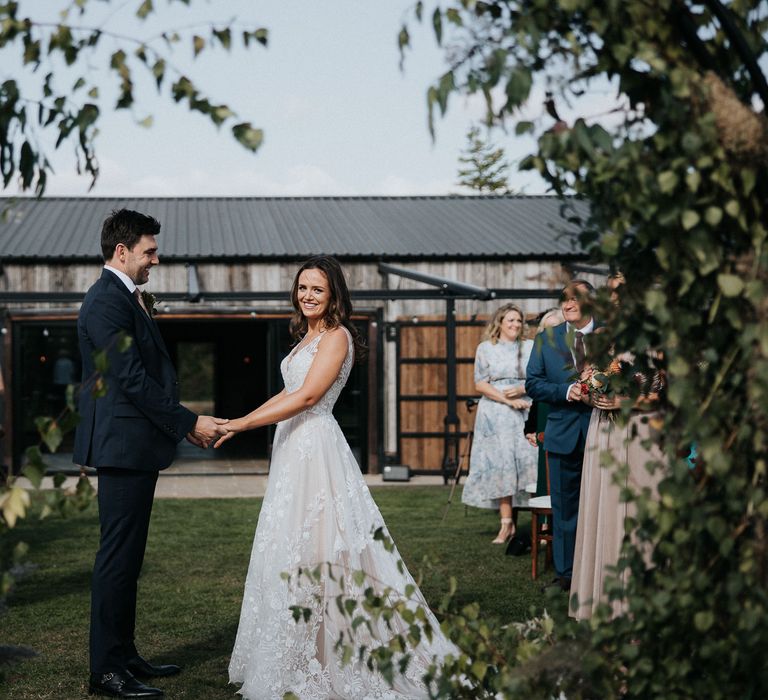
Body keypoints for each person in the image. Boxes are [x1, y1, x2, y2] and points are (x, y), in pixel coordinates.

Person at [217, 255, 456, 699]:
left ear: (334, 296)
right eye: (302, 287)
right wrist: (238, 420)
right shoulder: (305, 337)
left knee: (324, 546)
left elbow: (307, 396)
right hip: (293, 448)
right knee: (291, 548)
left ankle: (338, 654)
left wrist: (241, 427)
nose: (307, 296)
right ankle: (301, 652)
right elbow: (287, 393)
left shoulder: (336, 337)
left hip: (316, 449)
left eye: (317, 290)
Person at [73, 209, 228, 699]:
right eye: (149, 251)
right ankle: (105, 671)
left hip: (134, 446)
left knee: (128, 558)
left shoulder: (126, 298)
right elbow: (131, 379)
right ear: (123, 251)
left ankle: (125, 654)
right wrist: (188, 422)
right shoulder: (105, 302)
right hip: (121, 445)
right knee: (116, 560)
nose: (155, 260)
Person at [570, 274, 664, 620]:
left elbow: (667, 391)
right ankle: (604, 599)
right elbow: (589, 375)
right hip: (604, 430)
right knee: (605, 506)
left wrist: (628, 402)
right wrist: (589, 391)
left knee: (640, 513)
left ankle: (644, 600)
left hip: (640, 430)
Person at [525, 280, 597, 591]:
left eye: (574, 299)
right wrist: (565, 390)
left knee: (601, 504)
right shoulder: (546, 338)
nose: (567, 305)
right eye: (563, 300)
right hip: (563, 433)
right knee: (565, 508)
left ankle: (600, 570)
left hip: (604, 433)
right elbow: (533, 383)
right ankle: (566, 576)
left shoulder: (612, 336)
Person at [461, 303, 538, 544]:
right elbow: (480, 384)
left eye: (518, 321)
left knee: (530, 463)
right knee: (502, 464)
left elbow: (539, 377)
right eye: (510, 320)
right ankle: (506, 524)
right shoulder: (486, 348)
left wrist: (522, 391)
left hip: (526, 408)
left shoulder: (530, 347)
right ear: (500, 323)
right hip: (495, 414)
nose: (515, 324)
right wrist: (507, 399)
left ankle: (542, 523)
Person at [524, 308, 566, 499]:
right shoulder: (540, 352)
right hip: (543, 411)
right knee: (546, 468)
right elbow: (536, 392)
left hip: (565, 410)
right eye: (545, 329)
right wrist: (530, 428)